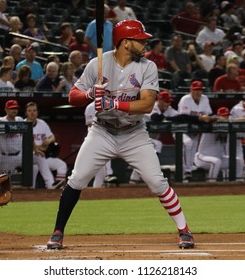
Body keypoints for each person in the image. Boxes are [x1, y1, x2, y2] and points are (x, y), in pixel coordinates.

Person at [47, 19, 195, 250]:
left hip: (134, 133)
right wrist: (89, 95)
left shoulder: (148, 66)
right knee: (76, 180)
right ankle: (57, 232)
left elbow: (146, 105)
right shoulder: (98, 63)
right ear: (126, 43)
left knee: (157, 182)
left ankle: (184, 230)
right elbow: (72, 97)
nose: (145, 44)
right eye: (140, 40)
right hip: (102, 131)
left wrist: (112, 102)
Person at [194, 107, 244, 182]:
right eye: (223, 115)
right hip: (202, 157)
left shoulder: (228, 126)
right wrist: (224, 120)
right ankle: (211, 185)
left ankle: (235, 184)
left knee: (239, 161)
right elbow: (213, 118)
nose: (225, 117)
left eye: (227, 115)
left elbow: (243, 119)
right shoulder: (212, 123)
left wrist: (231, 120)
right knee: (216, 162)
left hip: (219, 157)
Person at [24, 102, 66, 189]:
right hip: (31, 159)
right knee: (31, 186)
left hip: (44, 157)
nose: (32, 113)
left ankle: (58, 189)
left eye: (34, 110)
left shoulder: (42, 123)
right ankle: (50, 186)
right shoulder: (22, 125)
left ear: (37, 112)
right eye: (30, 111)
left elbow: (52, 137)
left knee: (61, 165)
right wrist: (39, 147)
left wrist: (48, 140)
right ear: (26, 113)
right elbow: (25, 144)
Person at [177, 80, 213, 181]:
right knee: (188, 144)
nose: (198, 92)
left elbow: (208, 114)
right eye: (196, 90)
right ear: (191, 90)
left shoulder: (204, 99)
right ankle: (186, 171)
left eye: (200, 90)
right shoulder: (185, 99)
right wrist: (200, 118)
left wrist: (207, 118)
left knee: (192, 149)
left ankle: (189, 171)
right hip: (181, 130)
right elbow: (184, 116)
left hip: (195, 131)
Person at [84, 101, 117, 187]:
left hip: (106, 136)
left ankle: (95, 194)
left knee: (99, 174)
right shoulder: (90, 107)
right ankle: (109, 174)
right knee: (106, 153)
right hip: (94, 138)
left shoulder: (110, 104)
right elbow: (89, 123)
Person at [0, 99, 23, 175]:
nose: (14, 110)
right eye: (12, 108)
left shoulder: (20, 119)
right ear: (6, 110)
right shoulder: (0, 120)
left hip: (20, 156)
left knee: (37, 162)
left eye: (16, 108)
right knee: (3, 183)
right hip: (5, 157)